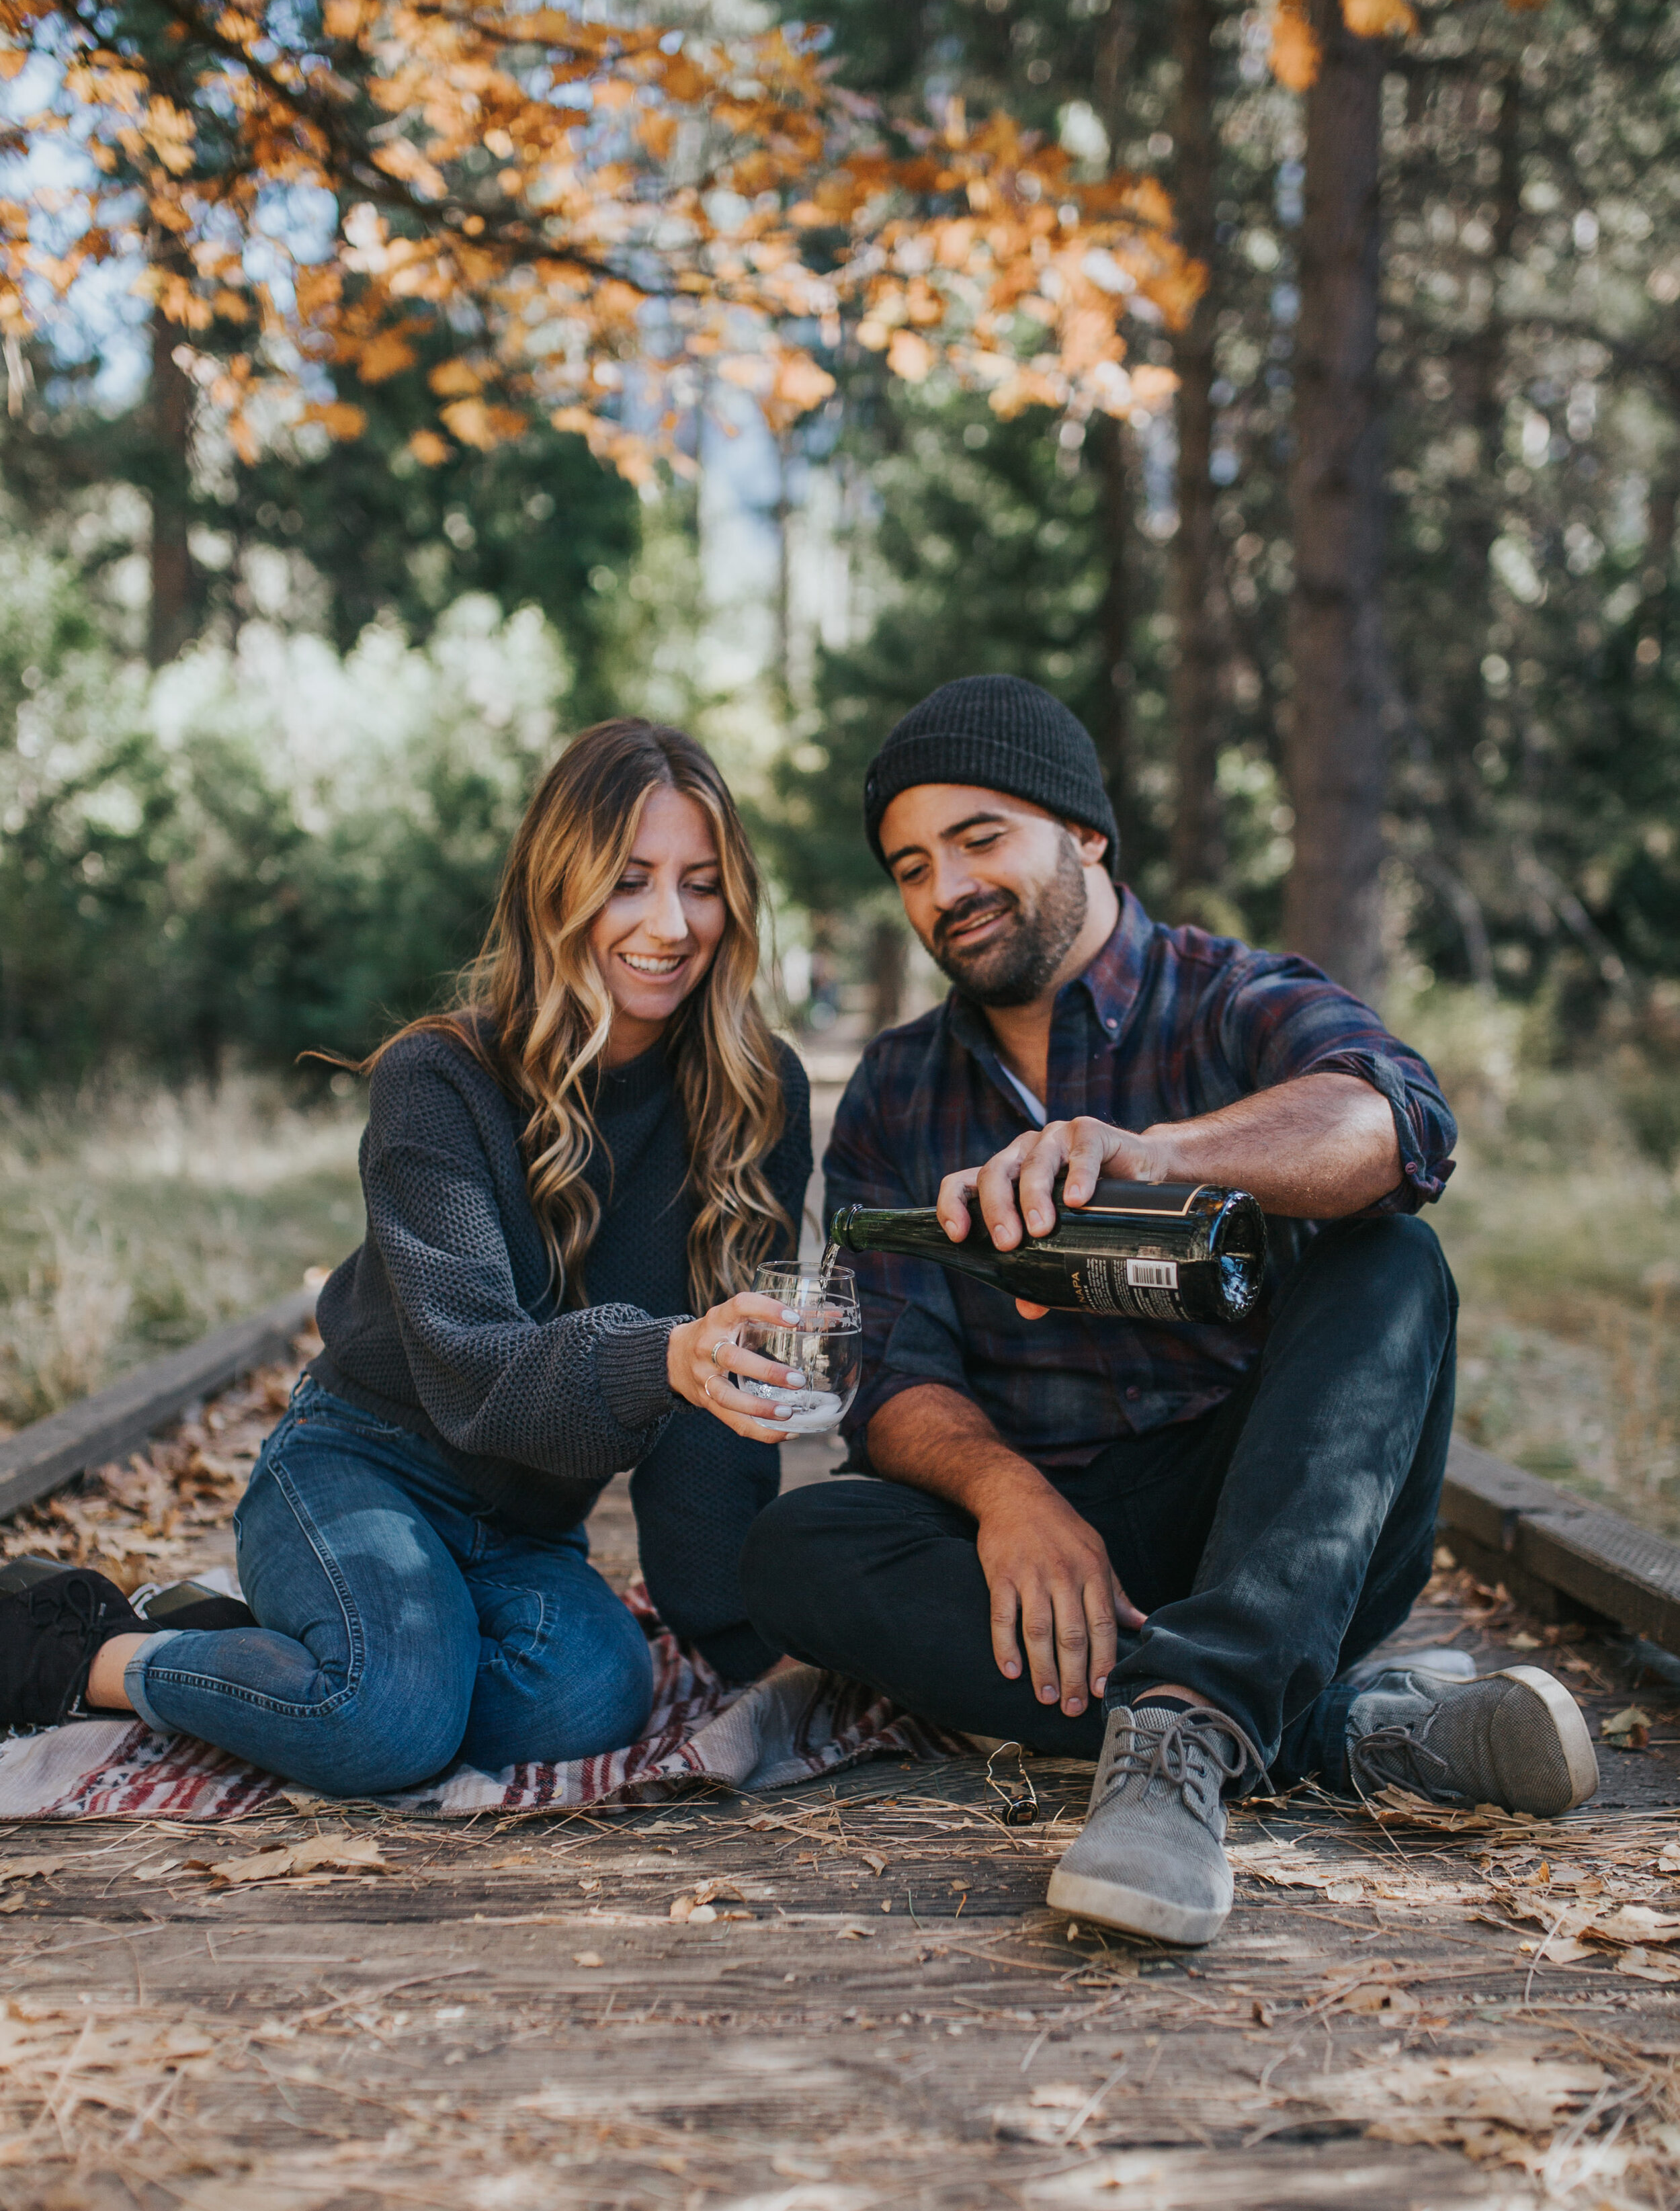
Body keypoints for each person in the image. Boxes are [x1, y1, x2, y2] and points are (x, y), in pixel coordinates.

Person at [741, 674, 1598, 1948]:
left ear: (1085, 831)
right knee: (796, 1552)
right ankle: (1344, 1730)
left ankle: (1194, 1722)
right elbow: (894, 1370)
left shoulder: (1230, 995)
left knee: (1394, 1267)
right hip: (1049, 1561)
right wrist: (1008, 1499)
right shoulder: (897, 1088)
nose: (946, 890)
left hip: (1277, 1528)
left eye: (982, 839)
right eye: (912, 865)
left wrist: (1160, 1154)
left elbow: (1397, 1122)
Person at [3, 721, 812, 1793]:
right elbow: (477, 1370)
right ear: (556, 887)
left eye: (701, 884)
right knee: (384, 1723)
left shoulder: (758, 1094)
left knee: (601, 1694)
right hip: (360, 1462)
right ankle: (86, 1645)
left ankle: (337, 1648)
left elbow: (716, 1428)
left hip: (525, 1531)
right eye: (628, 882)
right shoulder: (439, 1080)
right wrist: (667, 1356)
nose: (670, 923)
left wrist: (749, 1644)